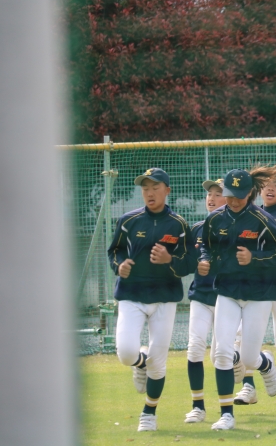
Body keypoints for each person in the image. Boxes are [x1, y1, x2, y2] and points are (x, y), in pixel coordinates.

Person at [200, 166, 276, 430]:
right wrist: (204, 260)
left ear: (250, 193)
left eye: (239, 195)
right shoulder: (214, 219)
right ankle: (226, 414)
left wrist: (254, 258)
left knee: (249, 359)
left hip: (259, 294)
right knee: (222, 353)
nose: (233, 200)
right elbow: (205, 246)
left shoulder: (264, 220)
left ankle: (265, 363)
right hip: (227, 291)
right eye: (229, 194)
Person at [107, 168, 197, 432]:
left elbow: (190, 262)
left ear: (167, 191)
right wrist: (119, 265)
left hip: (164, 298)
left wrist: (170, 260)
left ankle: (149, 413)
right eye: (145, 188)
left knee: (159, 362)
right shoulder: (128, 220)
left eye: (155, 187)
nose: (149, 192)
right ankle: (140, 361)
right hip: (131, 295)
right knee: (126, 353)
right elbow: (114, 251)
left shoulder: (178, 224)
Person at [233, 172, 276, 406]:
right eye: (267, 185)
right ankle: (248, 387)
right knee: (243, 336)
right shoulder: (251, 214)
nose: (270, 189)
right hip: (257, 288)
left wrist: (258, 261)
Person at [185, 179, 246, 423]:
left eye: (218, 193)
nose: (211, 198)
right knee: (195, 347)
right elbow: (185, 259)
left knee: (221, 355)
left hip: (226, 297)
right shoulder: (197, 228)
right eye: (209, 193)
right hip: (201, 296)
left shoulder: (239, 226)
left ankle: (228, 410)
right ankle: (198, 406)